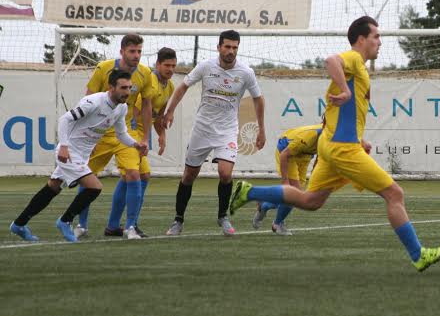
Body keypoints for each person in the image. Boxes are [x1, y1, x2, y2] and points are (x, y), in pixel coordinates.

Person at [229, 16, 440, 272]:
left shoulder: (361, 68)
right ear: (361, 39)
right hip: (342, 148)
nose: (380, 41)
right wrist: (344, 90)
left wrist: (358, 136)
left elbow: (343, 113)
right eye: (376, 36)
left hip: (332, 145)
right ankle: (418, 255)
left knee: (311, 201)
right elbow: (331, 61)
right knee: (394, 194)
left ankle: (249, 192)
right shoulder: (354, 58)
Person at [9, 71, 148, 242]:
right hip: (69, 151)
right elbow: (65, 120)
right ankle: (65, 221)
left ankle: (19, 224)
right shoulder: (93, 102)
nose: (127, 92)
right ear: (111, 88)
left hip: (82, 154)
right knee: (94, 187)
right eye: (123, 87)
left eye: (129, 87)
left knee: (53, 187)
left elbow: (121, 134)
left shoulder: (121, 107)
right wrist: (64, 147)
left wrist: (135, 144)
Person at [162, 30, 266, 236]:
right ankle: (178, 220)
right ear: (218, 47)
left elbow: (258, 99)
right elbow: (183, 86)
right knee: (189, 175)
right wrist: (170, 110)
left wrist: (261, 129)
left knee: (225, 173)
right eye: (227, 46)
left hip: (227, 131)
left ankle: (222, 217)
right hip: (202, 129)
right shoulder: (206, 66)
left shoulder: (246, 72)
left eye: (235, 47)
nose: (231, 51)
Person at [90, 47, 177, 239]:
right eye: (167, 65)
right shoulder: (150, 80)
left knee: (139, 176)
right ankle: (131, 224)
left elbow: (158, 115)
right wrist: (139, 139)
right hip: (130, 133)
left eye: (173, 66)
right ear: (158, 65)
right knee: (138, 175)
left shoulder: (169, 86)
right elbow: (138, 112)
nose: (170, 69)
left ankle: (114, 225)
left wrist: (161, 135)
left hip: (137, 134)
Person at [74, 34, 155, 240]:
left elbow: (146, 106)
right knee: (86, 178)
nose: (136, 55)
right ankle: (81, 224)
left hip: (124, 133)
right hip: (98, 134)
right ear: (122, 52)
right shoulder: (103, 68)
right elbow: (87, 100)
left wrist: (145, 137)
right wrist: (83, 136)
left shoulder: (145, 74)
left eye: (139, 51)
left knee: (135, 175)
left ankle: (129, 227)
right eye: (132, 51)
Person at [252, 123, 323, 235]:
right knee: (294, 194)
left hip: (305, 155)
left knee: (299, 196)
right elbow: (284, 155)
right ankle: (277, 224)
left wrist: (315, 177)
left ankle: (264, 204)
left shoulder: (331, 135)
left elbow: (320, 157)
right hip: (286, 151)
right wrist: (285, 182)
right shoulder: (308, 137)